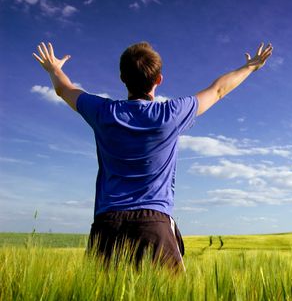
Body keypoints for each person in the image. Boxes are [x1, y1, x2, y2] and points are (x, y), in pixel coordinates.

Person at [32, 41, 273, 271]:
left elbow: (65, 89)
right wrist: (250, 66)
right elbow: (218, 90)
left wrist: (53, 69)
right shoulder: (171, 114)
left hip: (107, 225)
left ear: (122, 79)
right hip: (153, 224)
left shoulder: (103, 112)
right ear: (158, 79)